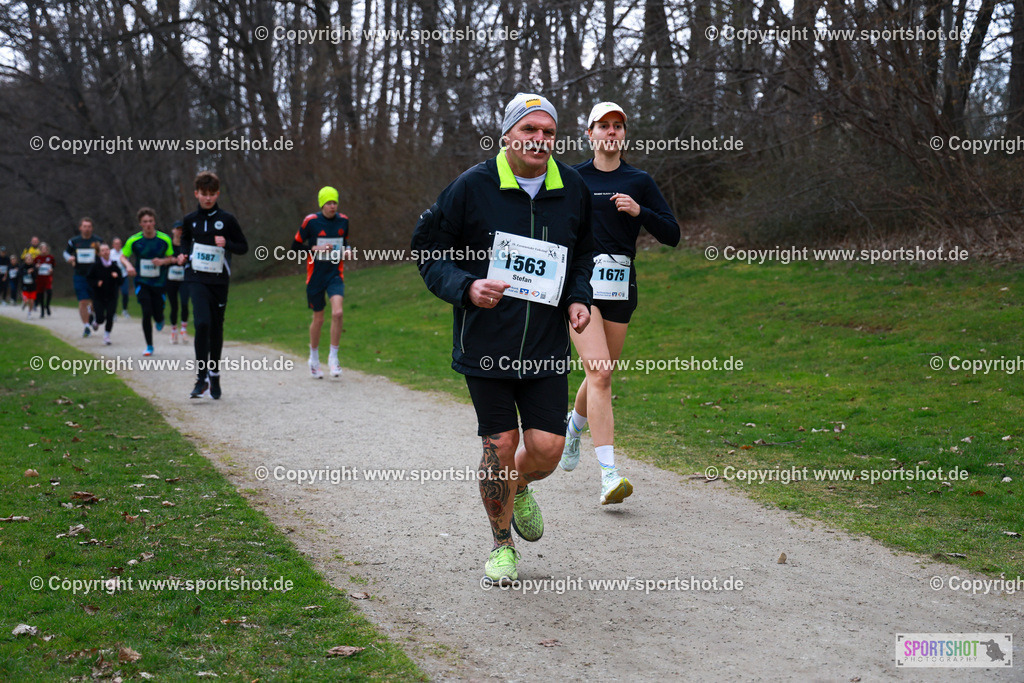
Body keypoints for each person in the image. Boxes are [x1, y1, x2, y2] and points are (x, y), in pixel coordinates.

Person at [411, 92, 594, 584]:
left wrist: (579, 297)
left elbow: (582, 257)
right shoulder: (473, 186)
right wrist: (466, 287)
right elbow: (427, 249)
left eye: (548, 132)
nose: (539, 140)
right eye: (529, 130)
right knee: (500, 442)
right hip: (486, 345)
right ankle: (501, 544)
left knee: (548, 449)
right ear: (509, 134)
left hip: (545, 347)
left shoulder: (571, 186)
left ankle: (519, 488)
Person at [559, 102, 681, 505]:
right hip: (581, 287)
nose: (611, 132)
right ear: (590, 134)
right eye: (604, 126)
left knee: (601, 375)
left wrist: (639, 210)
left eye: (618, 127)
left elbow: (672, 234)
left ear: (624, 135)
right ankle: (609, 474)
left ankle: (574, 427)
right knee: (601, 372)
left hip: (620, 288)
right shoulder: (572, 178)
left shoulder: (639, 180)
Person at [178, 171, 248, 399]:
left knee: (216, 328)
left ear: (217, 194)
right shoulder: (190, 220)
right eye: (203, 194)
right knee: (202, 324)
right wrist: (183, 255)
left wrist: (227, 242)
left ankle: (214, 374)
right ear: (196, 194)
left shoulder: (227, 220)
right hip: (196, 277)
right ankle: (201, 378)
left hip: (219, 280)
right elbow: (185, 241)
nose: (207, 198)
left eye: (212, 194)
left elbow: (243, 246)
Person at [291, 186, 349, 379]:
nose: (333, 206)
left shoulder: (344, 221)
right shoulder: (311, 222)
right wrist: (313, 248)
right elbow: (295, 247)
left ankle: (333, 357)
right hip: (315, 276)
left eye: (335, 202)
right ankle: (314, 359)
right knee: (319, 319)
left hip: (334, 274)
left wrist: (347, 250)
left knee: (338, 313)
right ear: (322, 204)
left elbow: (345, 242)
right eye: (329, 203)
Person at [121, 208, 174, 356]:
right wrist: (129, 265)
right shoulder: (134, 240)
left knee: (157, 312)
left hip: (159, 282)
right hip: (142, 282)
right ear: (140, 224)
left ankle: (160, 318)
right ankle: (149, 345)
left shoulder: (164, 239)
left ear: (154, 222)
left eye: (150, 221)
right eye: (145, 222)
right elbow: (123, 256)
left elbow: (171, 258)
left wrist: (162, 261)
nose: (148, 224)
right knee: (146, 311)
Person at [64, 218, 104, 337]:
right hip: (80, 275)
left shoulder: (97, 241)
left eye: (89, 226)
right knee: (82, 301)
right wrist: (69, 259)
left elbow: (103, 254)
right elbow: (66, 253)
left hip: (95, 276)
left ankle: (91, 314)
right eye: (85, 226)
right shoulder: (75, 241)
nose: (87, 229)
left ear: (92, 228)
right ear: (80, 228)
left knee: (94, 302)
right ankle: (86, 326)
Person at [87, 244, 123, 345]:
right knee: (101, 318)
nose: (106, 252)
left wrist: (117, 277)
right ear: (99, 253)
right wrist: (96, 283)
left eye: (107, 250)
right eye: (103, 250)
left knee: (110, 315)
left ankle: (107, 335)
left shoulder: (114, 266)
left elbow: (121, 281)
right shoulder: (95, 266)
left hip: (112, 295)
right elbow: (89, 279)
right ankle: (96, 321)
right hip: (98, 296)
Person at [167, 221, 189, 344]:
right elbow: (163, 259)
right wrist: (171, 260)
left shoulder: (186, 245)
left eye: (181, 229)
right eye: (177, 229)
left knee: (185, 303)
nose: (179, 231)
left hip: (184, 279)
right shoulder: (168, 245)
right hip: (171, 279)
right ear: (173, 230)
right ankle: (174, 331)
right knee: (174, 306)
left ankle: (184, 330)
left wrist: (184, 261)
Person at [110, 237, 131, 318]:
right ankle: (114, 312)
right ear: (113, 245)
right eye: (116, 243)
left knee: (125, 293)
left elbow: (127, 263)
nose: (118, 245)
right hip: (114, 277)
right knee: (114, 295)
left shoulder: (124, 252)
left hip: (123, 275)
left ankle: (125, 310)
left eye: (119, 243)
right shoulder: (110, 253)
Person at [35, 243, 55, 318]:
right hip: (39, 279)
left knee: (49, 292)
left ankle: (47, 305)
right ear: (40, 250)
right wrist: (36, 267)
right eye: (42, 249)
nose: (44, 251)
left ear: (47, 250)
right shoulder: (37, 258)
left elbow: (53, 266)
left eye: (45, 249)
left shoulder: (51, 258)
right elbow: (34, 268)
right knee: (41, 295)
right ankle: (42, 310)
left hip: (47, 278)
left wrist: (51, 269)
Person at [20, 254, 38, 319]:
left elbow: (36, 276)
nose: (29, 260)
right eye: (28, 259)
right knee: (26, 301)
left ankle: (29, 313)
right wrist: (27, 272)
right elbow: (19, 274)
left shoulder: (34, 267)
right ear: (25, 260)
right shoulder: (22, 267)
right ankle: (24, 304)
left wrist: (32, 272)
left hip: (32, 287)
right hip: (25, 287)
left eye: (30, 259)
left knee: (31, 301)